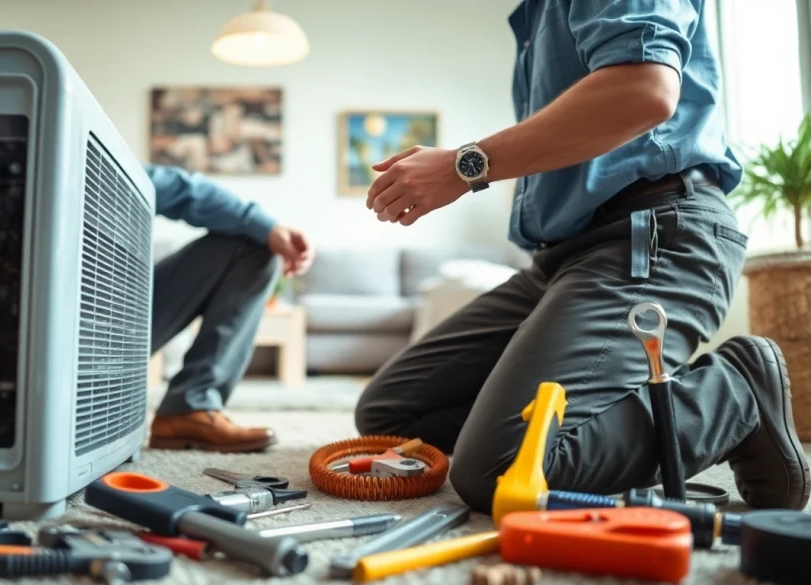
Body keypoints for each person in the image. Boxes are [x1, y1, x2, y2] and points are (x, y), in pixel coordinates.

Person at [355, 1, 811, 513]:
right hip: (560, 255)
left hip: (652, 229)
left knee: (501, 470)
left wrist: (465, 166)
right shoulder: (535, 15)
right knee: (393, 412)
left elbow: (645, 90)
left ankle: (734, 391)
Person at [143, 163, 314, 453]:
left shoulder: (90, 155)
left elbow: (180, 189)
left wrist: (267, 227)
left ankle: (188, 410)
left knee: (255, 246)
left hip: (114, 316)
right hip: (60, 337)